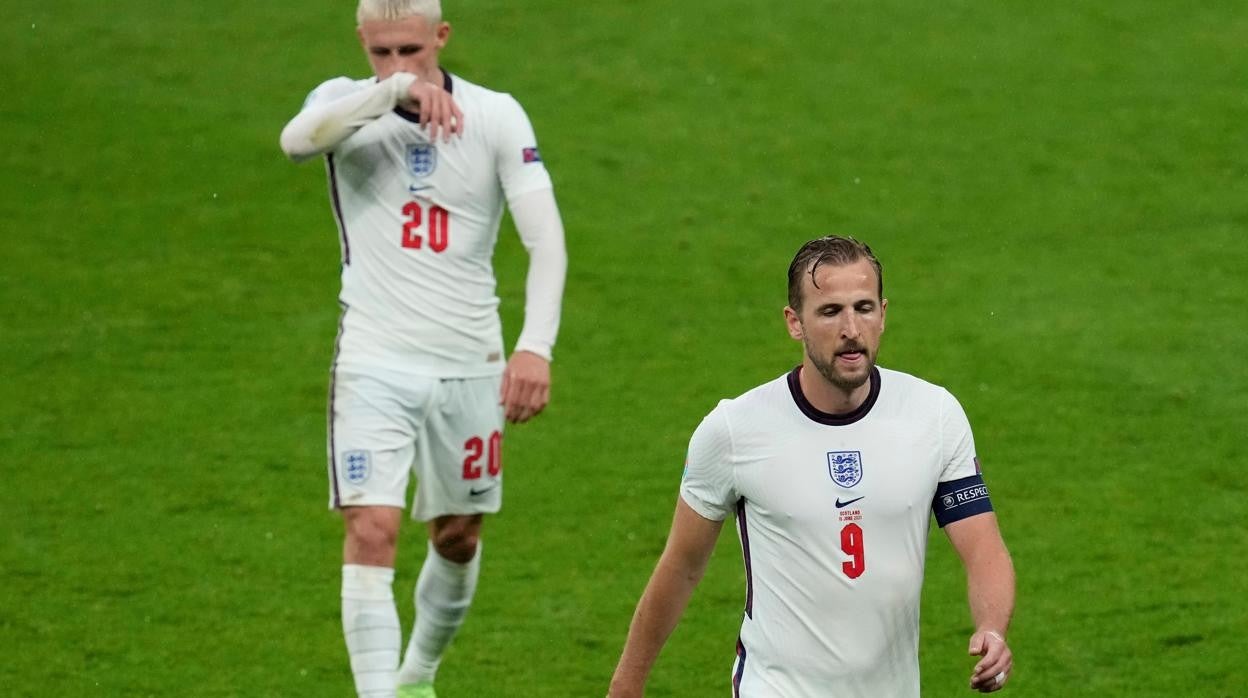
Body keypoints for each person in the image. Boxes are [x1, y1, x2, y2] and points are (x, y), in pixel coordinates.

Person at [279, 1, 567, 696]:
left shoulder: (497, 115)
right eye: (381, 52)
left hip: (470, 363)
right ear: (361, 44)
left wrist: (535, 347)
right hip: (373, 359)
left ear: (442, 38)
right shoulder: (342, 105)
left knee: (457, 535)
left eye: (411, 51)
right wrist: (390, 94)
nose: (398, 65)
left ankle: (417, 677)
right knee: (372, 526)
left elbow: (546, 239)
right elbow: (295, 141)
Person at [608, 236, 1015, 697]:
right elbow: (682, 565)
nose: (851, 329)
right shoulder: (734, 430)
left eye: (863, 308)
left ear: (884, 313)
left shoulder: (934, 416)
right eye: (829, 311)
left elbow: (983, 547)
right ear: (794, 323)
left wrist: (993, 629)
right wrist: (628, 683)